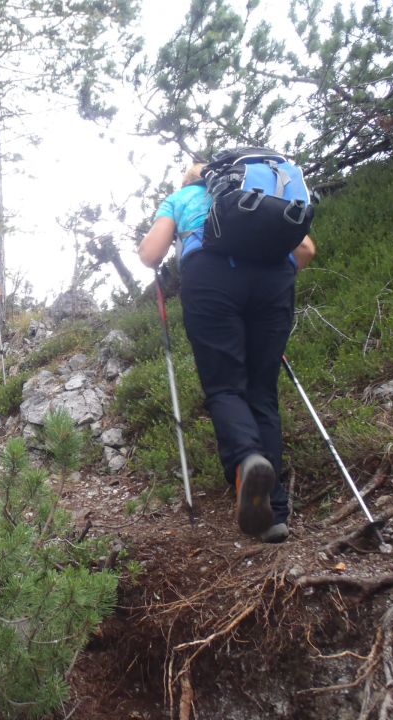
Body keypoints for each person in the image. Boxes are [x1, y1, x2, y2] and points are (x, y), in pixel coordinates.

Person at [138, 162, 317, 543]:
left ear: (191, 180)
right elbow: (306, 249)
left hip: (211, 279)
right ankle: (275, 515)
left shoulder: (181, 198)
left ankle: (248, 458)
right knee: (263, 392)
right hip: (273, 279)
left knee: (225, 386)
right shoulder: (261, 195)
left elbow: (150, 254)